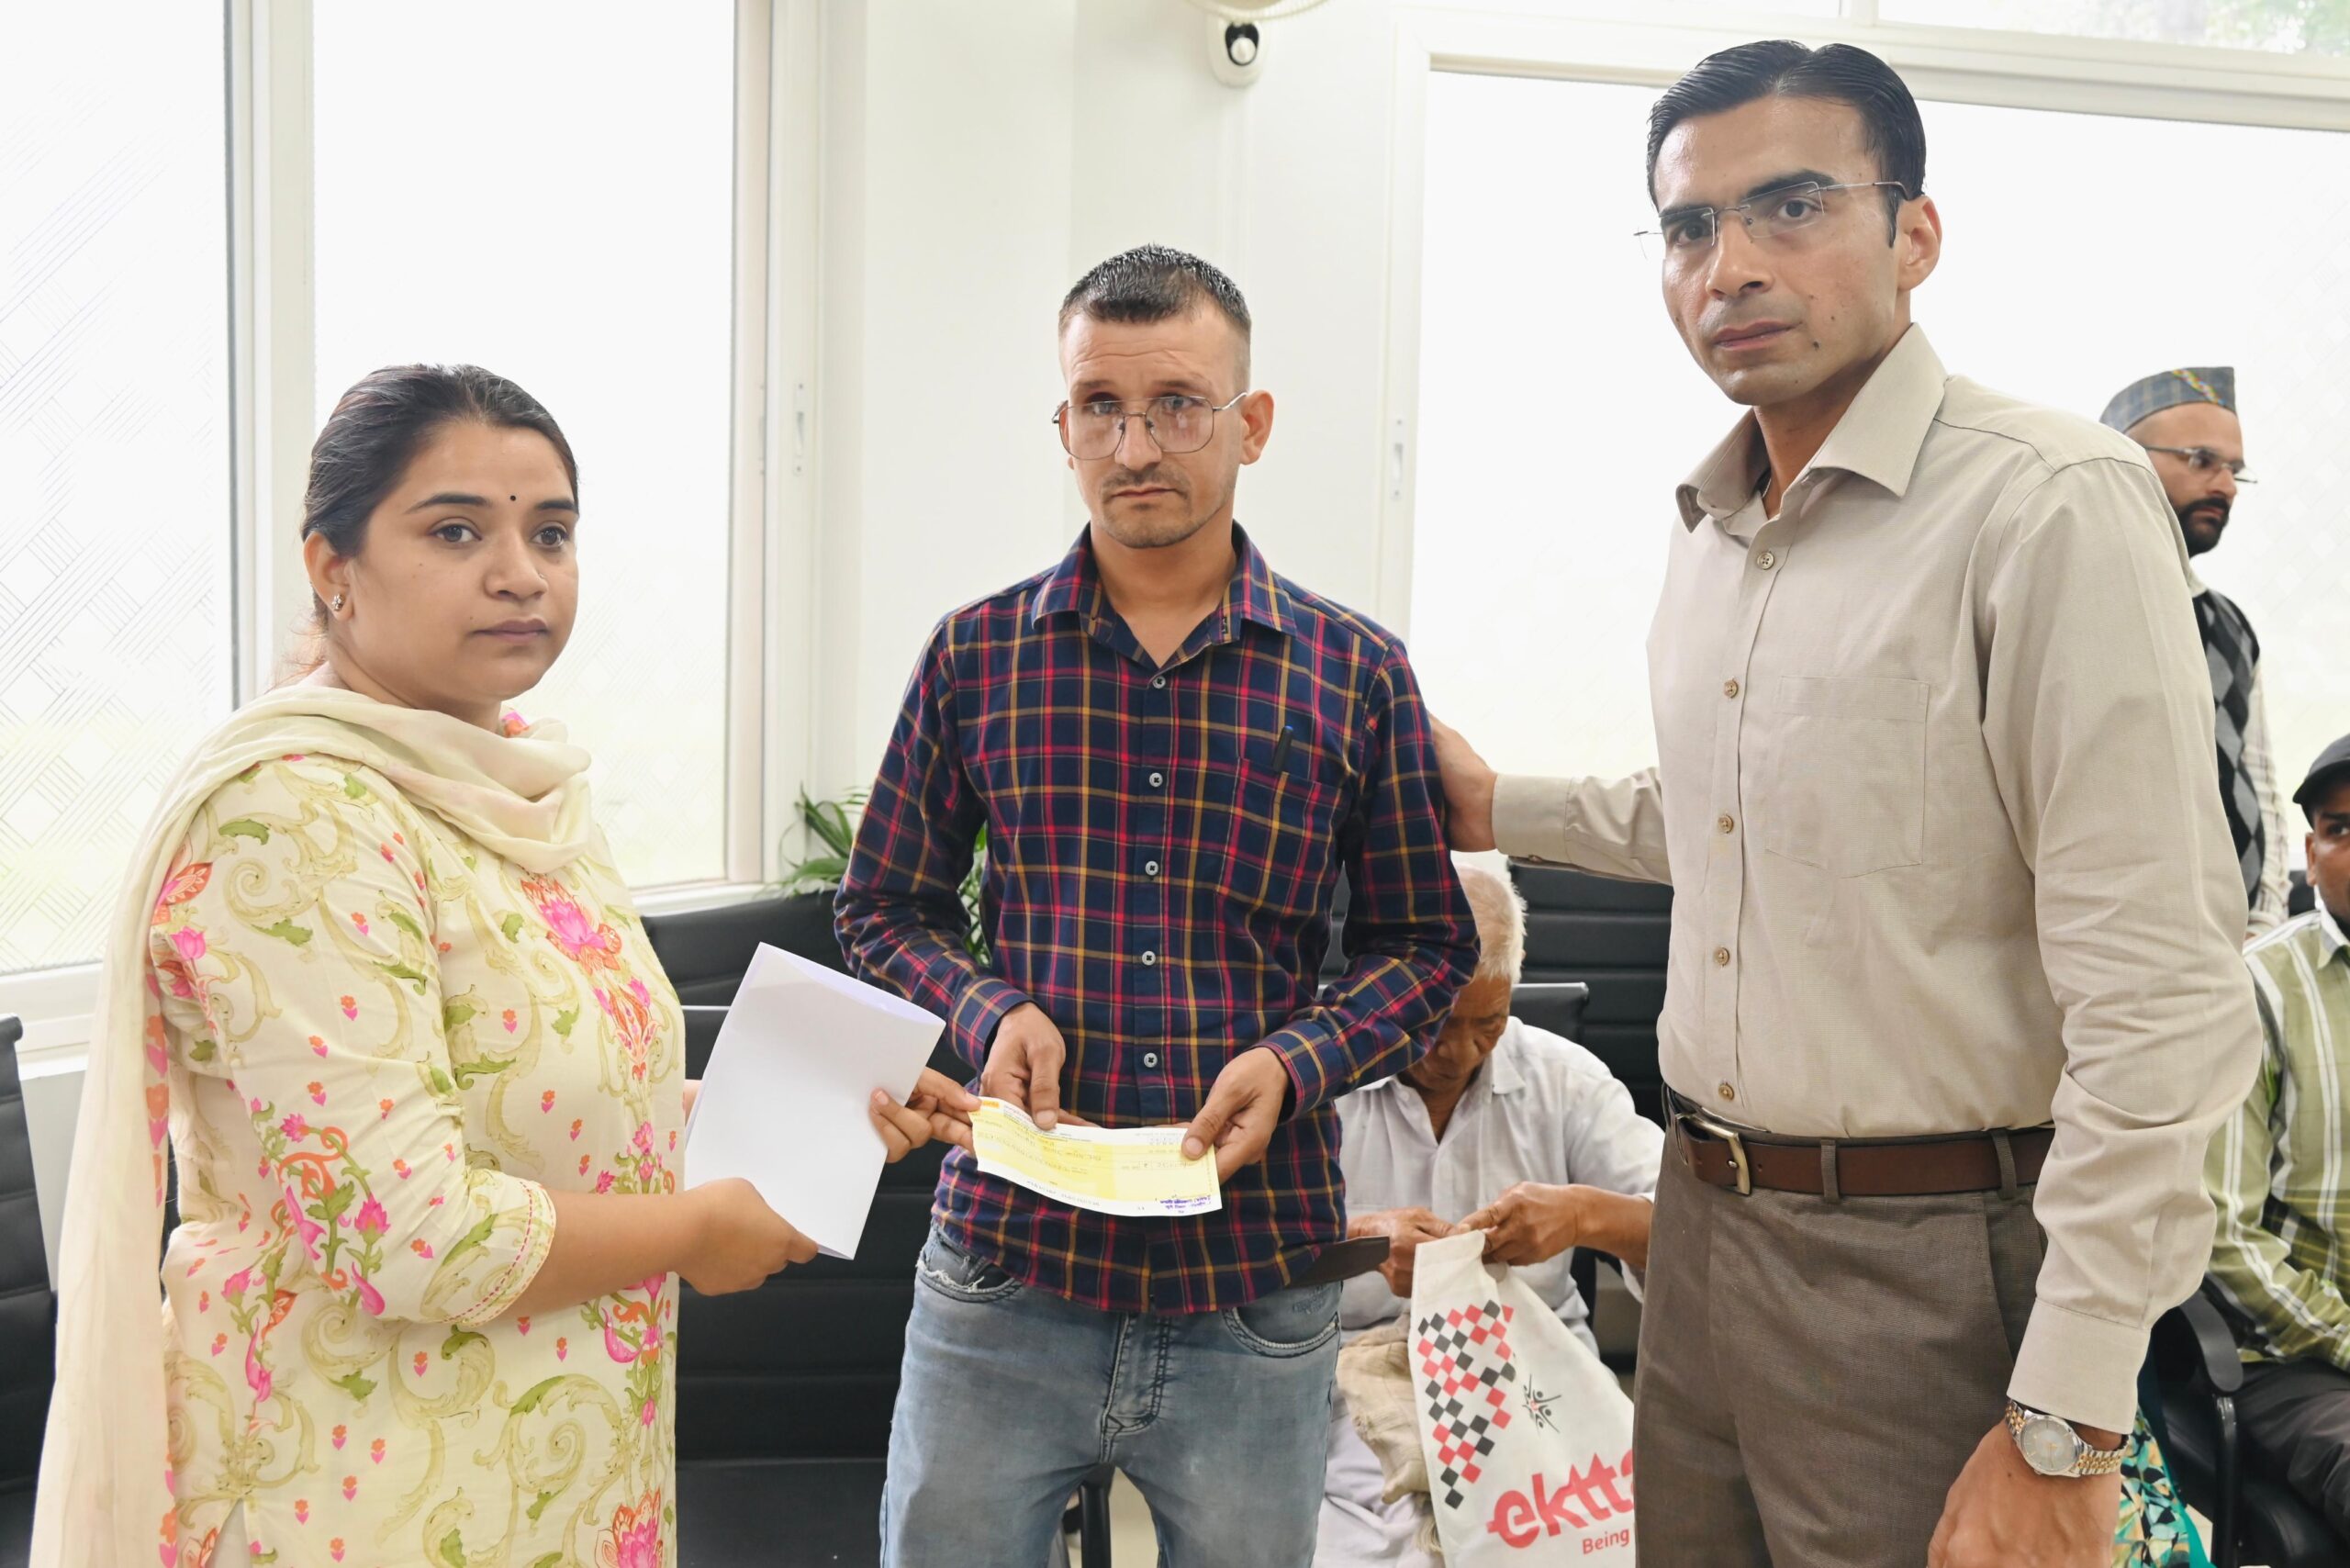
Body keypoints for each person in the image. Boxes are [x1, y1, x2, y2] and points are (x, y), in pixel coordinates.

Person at [1431, 40, 2260, 1568]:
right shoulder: (1712, 526)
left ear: (1914, 233)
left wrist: (2069, 1419)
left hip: (1930, 1258)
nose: (1731, 264)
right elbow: (1740, 818)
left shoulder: (2048, 502)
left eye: (1794, 205)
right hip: (1704, 1225)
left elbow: (2164, 998)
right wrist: (1492, 801)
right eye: (1689, 227)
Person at [32, 364, 973, 1568]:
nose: (521, 572)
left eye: (552, 533)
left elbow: (553, 1101)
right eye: (456, 530)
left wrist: (814, 1107)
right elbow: (408, 1228)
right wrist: (694, 1231)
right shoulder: (294, 818)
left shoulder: (518, 783)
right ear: (332, 567)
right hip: (359, 1484)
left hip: (562, 1460)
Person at [836, 245, 1476, 1568]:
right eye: (1100, 408)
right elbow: (884, 904)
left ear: (1252, 423)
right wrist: (987, 1009)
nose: (1135, 446)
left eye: (1178, 405)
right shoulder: (975, 655)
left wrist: (1295, 1063)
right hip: (1007, 1269)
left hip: (1255, 1286)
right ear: (1064, 425)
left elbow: (1426, 947)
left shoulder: (1355, 673)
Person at [1317, 856, 1662, 1567]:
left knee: (1605, 1543)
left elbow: (1695, 1236)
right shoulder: (1318, 1078)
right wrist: (1363, 1242)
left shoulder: (1564, 1081)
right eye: (1435, 1023)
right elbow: (1238, 1249)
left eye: (1489, 1024)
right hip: (1356, 1382)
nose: (1458, 1052)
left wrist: (1584, 1216)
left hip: (1534, 1380)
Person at [2205, 733, 2350, 1533]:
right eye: (2340, 829)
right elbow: (2223, 1235)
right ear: (2311, 854)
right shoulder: (2256, 988)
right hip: (2297, 1360)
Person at [2100, 367, 2288, 937]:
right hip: (2114, 938)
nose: (2227, 486)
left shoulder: (2231, 626)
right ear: (2124, 458)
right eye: (2202, 460)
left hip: (2233, 944)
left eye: (2234, 470)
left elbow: (2258, 776)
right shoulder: (2074, 595)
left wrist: (2266, 921)